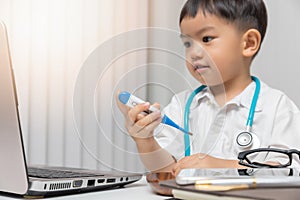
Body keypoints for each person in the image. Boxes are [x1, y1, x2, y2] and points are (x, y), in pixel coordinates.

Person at [117, 0, 300, 176]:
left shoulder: (277, 107)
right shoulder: (181, 105)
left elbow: (290, 170)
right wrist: (145, 140)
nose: (193, 53)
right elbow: (167, 172)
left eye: (206, 39)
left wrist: (221, 166)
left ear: (249, 43)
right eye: (187, 44)